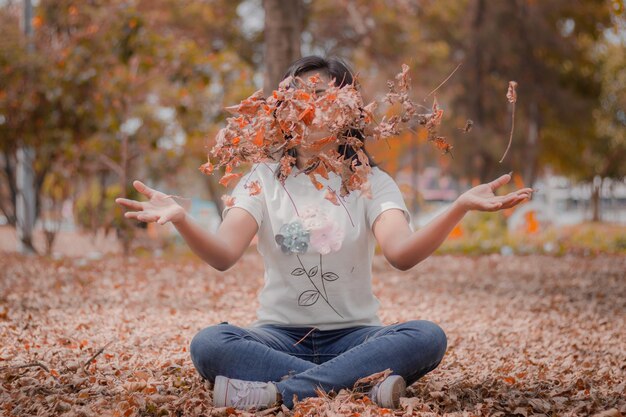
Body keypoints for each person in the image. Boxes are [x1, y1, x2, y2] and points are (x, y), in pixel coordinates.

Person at [115, 56, 533, 411]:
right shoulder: (262, 180)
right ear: (281, 108)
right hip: (277, 338)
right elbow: (224, 254)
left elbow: (401, 254)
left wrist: (457, 207)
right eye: (298, 97)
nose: (310, 107)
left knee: (426, 337)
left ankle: (277, 393)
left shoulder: (370, 182)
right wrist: (182, 218)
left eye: (324, 97)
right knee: (210, 344)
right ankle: (363, 388)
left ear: (350, 110)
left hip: (358, 339)